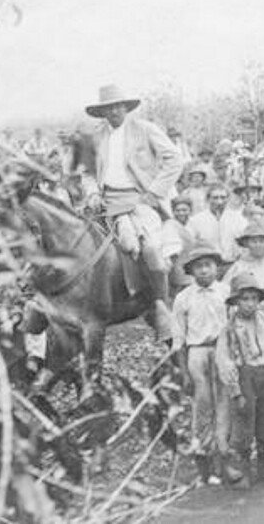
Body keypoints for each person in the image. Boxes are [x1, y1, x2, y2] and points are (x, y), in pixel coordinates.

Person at [87, 84, 184, 342]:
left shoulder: (145, 129)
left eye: (119, 106)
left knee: (150, 248)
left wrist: (154, 191)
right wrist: (92, 193)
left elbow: (174, 159)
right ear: (103, 112)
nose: (114, 111)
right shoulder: (96, 136)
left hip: (139, 199)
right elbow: (86, 171)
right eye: (109, 107)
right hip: (106, 201)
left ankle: (160, 306)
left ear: (126, 108)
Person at [171, 243, 242, 485]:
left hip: (222, 350)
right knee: (202, 407)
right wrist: (184, 373)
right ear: (191, 271)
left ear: (217, 267)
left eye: (208, 265)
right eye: (198, 267)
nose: (204, 271)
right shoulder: (183, 298)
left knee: (224, 404)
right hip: (197, 353)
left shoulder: (226, 292)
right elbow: (178, 338)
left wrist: (234, 356)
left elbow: (235, 326)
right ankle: (206, 461)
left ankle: (224, 461)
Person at [217, 272, 264, 486]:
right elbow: (225, 362)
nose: (250, 304)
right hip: (245, 376)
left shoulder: (263, 319)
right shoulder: (230, 329)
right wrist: (236, 391)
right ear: (236, 301)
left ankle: (263, 467)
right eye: (245, 299)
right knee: (244, 424)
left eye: (254, 299)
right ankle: (245, 471)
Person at [223, 222, 264, 321]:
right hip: (253, 313)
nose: (258, 245)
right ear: (247, 243)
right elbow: (226, 289)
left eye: (261, 241)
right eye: (254, 241)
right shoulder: (240, 265)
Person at [188, 184, 250, 274]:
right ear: (208, 199)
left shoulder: (238, 218)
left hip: (233, 265)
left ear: (228, 199)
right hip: (208, 268)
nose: (219, 202)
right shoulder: (196, 220)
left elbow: (246, 242)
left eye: (223, 197)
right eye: (215, 198)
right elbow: (190, 244)